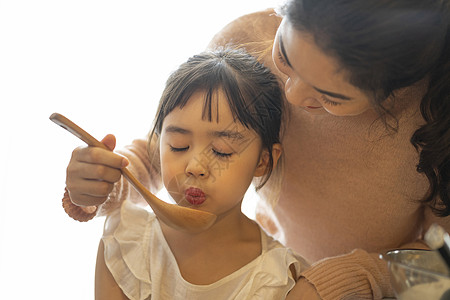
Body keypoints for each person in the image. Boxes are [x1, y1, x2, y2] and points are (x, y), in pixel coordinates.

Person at [63, 0, 450, 299]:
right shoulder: (250, 39)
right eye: (285, 55)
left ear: (395, 92)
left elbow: (444, 263)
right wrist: (110, 178)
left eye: (329, 98)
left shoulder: (436, 124)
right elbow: (172, 142)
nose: (293, 95)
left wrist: (351, 282)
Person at [93, 48, 309, 300]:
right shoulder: (126, 243)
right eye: (178, 146)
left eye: (221, 151)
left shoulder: (279, 280)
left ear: (263, 162)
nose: (195, 166)